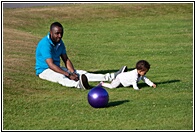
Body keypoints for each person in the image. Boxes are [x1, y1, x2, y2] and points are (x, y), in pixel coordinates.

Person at [35, 22, 127, 89]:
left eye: (61, 33)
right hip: (44, 70)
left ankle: (111, 76)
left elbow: (66, 59)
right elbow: (51, 65)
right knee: (61, 77)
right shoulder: (45, 44)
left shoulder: (60, 42)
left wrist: (72, 72)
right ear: (50, 32)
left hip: (56, 67)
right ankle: (79, 85)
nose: (59, 36)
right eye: (57, 33)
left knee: (82, 73)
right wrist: (68, 74)